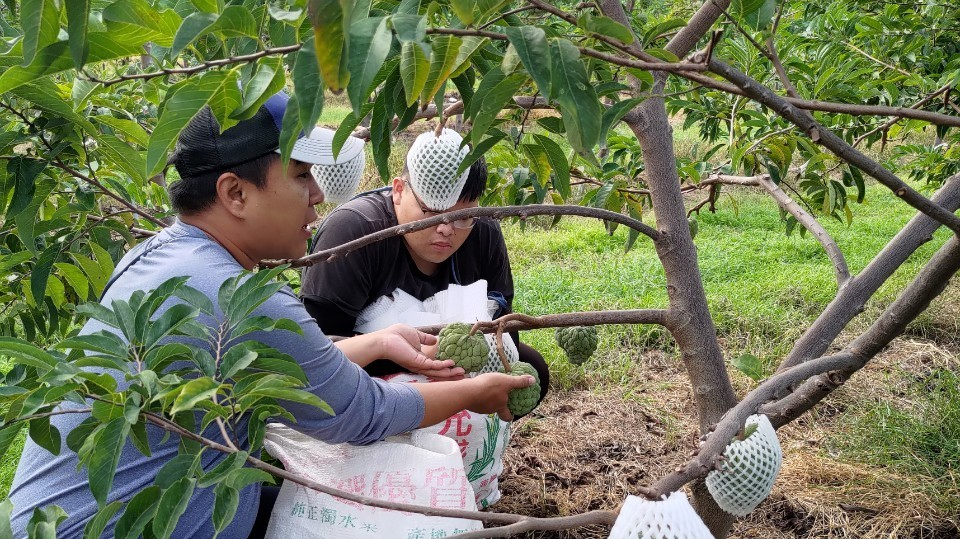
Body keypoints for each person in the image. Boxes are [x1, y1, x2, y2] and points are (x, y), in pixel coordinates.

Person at [6, 93, 535, 539]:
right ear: (235, 192)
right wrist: (476, 391)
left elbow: (267, 367)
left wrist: (375, 343)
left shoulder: (160, 255)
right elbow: (364, 413)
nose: (318, 195)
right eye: (303, 175)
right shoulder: (238, 294)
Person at [299, 129, 550, 508]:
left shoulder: (482, 233)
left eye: (461, 216)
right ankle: (380, 479)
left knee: (531, 369)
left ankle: (460, 475)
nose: (446, 229)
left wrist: (471, 350)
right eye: (431, 212)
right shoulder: (355, 232)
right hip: (371, 365)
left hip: (456, 355)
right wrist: (407, 357)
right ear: (399, 190)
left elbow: (500, 320)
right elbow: (320, 349)